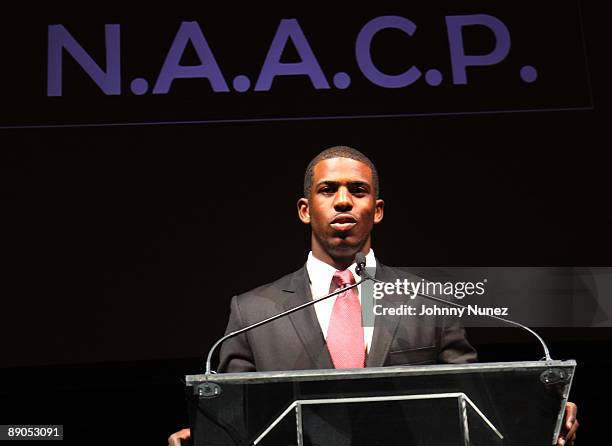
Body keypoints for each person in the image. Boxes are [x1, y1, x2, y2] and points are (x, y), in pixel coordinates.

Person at [169, 146, 578, 445]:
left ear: (377, 210)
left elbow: (477, 406)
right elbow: (233, 418)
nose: (344, 201)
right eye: (328, 190)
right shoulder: (254, 311)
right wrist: (207, 436)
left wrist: (544, 417)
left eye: (358, 191)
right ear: (305, 209)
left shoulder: (429, 301)